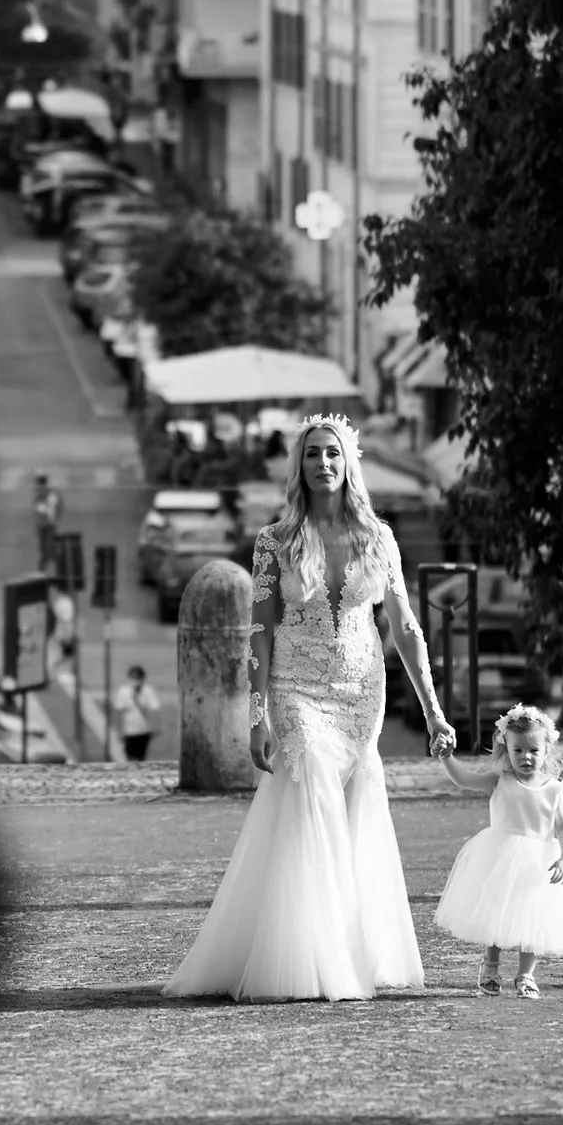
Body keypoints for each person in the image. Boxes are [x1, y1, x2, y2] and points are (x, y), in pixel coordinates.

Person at [164, 414, 459, 1002]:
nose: (323, 463)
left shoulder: (378, 537)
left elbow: (404, 627)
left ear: (349, 463)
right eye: (312, 454)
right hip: (295, 689)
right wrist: (256, 717)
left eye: (333, 453)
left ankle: (353, 950)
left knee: (354, 808)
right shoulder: (274, 542)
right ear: (298, 466)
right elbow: (260, 632)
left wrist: (433, 710)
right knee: (314, 786)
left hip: (360, 691)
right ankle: (313, 960)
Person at [434, 704, 563, 998]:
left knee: (532, 916)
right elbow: (464, 779)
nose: (526, 757)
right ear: (506, 749)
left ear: (546, 750)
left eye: (533, 751)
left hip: (540, 862)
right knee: (496, 911)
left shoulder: (553, 788)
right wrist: (446, 757)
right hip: (500, 857)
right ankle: (491, 966)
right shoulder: (499, 780)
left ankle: (526, 975)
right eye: (518, 751)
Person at [115, 666, 161, 762]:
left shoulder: (148, 691)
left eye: (137, 678)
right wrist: (119, 731)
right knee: (131, 758)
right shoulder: (123, 691)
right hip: (129, 731)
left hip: (144, 730)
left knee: (141, 758)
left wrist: (155, 727)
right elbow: (118, 712)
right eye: (133, 678)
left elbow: (154, 710)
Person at [33, 474, 61, 566]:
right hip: (49, 522)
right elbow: (58, 506)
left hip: (45, 523)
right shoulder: (50, 492)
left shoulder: (42, 493)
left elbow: (40, 508)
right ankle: (50, 558)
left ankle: (48, 559)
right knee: (48, 542)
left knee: (46, 543)